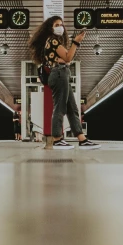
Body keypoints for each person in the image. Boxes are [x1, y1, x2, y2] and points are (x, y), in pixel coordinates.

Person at [29, 15, 100, 150]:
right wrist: (76, 42)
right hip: (59, 73)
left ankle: (82, 139)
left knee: (72, 108)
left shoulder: (53, 42)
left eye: (61, 24)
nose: (60, 27)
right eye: (57, 25)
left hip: (62, 73)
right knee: (60, 107)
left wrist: (66, 59)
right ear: (50, 28)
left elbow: (67, 59)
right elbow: (68, 57)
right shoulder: (53, 40)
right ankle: (57, 139)